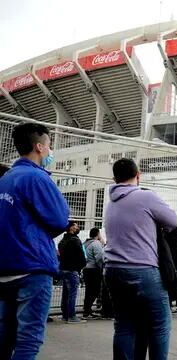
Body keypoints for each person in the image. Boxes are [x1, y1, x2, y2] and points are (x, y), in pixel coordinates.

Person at [0, 123, 69, 359]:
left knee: (5, 336)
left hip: (6, 268)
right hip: (32, 267)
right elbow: (60, 219)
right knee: (28, 340)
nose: (50, 151)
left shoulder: (6, 178)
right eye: (49, 145)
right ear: (39, 147)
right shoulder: (37, 178)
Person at [104, 158, 177, 359]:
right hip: (142, 270)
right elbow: (172, 220)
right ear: (138, 176)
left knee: (124, 325)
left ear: (114, 179)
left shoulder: (110, 203)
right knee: (160, 324)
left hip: (112, 270)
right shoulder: (145, 196)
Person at [58, 221, 87, 324]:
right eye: (76, 225)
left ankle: (65, 315)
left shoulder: (62, 241)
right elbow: (81, 255)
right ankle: (71, 316)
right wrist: (81, 266)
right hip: (72, 269)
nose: (78, 227)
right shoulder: (75, 240)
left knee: (65, 293)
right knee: (72, 293)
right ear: (71, 228)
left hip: (63, 268)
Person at [83, 227, 105, 320]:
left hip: (86, 269)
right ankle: (87, 310)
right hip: (94, 270)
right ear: (98, 234)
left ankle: (86, 310)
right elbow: (99, 258)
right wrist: (102, 268)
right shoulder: (96, 243)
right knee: (95, 290)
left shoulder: (85, 243)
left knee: (88, 291)